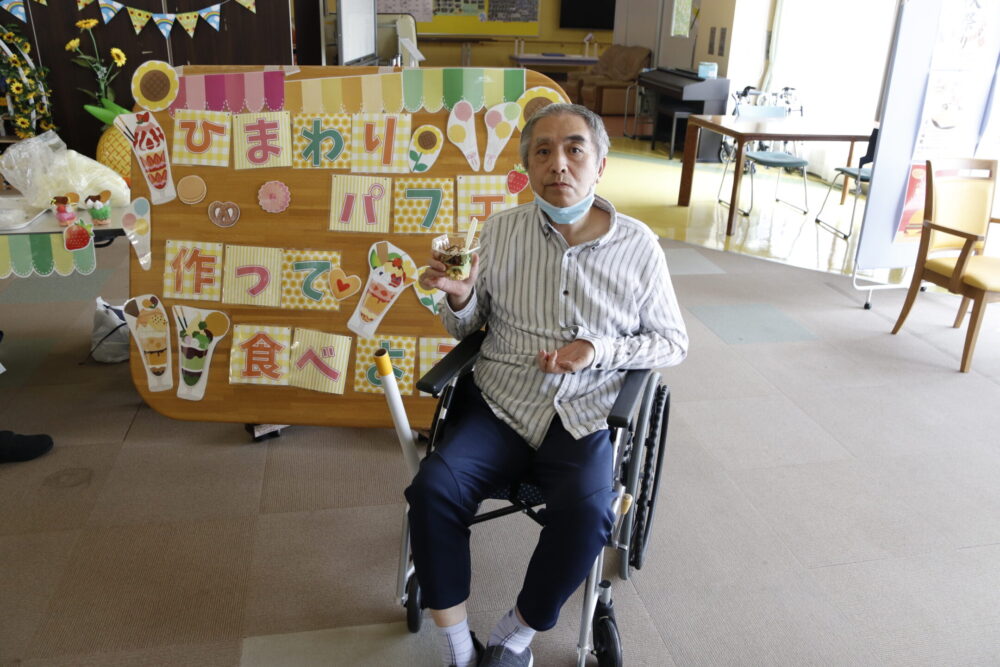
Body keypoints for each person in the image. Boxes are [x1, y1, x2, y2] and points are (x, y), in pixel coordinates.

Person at [410, 103, 688, 667]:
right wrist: (460, 297)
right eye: (543, 151)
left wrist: (597, 350)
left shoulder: (639, 247)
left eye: (574, 149)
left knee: (589, 512)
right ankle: (459, 649)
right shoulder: (499, 231)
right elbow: (465, 328)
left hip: (586, 413)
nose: (558, 163)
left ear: (600, 164)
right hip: (501, 405)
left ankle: (513, 636)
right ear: (528, 167)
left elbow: (672, 342)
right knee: (433, 490)